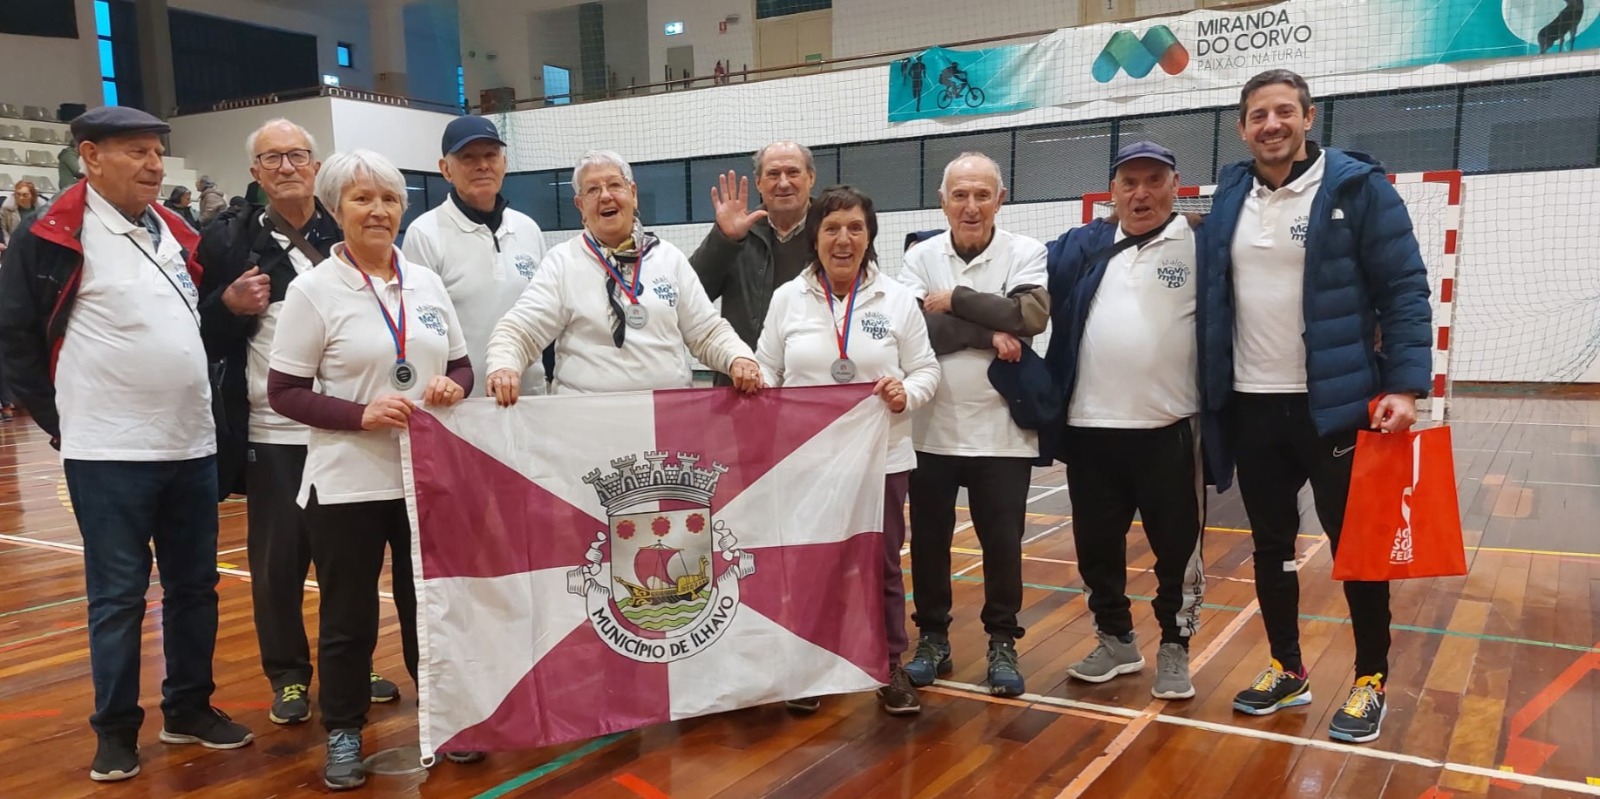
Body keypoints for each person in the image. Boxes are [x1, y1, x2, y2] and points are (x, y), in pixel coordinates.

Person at [0, 105, 253, 783]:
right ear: (89, 155)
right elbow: (17, 341)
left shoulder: (175, 230)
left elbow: (185, 321)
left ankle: (189, 707)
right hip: (108, 453)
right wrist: (66, 420)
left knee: (196, 587)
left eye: (156, 152)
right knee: (117, 596)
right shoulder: (49, 234)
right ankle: (114, 729)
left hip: (191, 445)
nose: (153, 164)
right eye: (136, 151)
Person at [1201, 69, 1431, 743]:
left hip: (1334, 406)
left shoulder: (1358, 189)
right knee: (1271, 545)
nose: (1270, 125)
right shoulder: (1232, 193)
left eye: (1283, 112)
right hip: (1252, 405)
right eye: (1257, 115)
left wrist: (1405, 386)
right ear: (1242, 128)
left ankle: (1369, 678)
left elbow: (1406, 290)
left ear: (1307, 117)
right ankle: (1287, 667)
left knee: (1355, 549)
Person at [267, 149, 472, 789]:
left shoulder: (427, 282)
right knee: (349, 616)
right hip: (347, 480)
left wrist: (452, 389)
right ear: (335, 210)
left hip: (425, 479)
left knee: (429, 608)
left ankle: (443, 721)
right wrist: (360, 414)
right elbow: (284, 391)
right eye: (361, 199)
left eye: (387, 198)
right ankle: (345, 732)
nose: (377, 210)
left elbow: (461, 365)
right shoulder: (312, 290)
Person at [195, 119, 403, 731]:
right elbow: (202, 335)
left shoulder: (346, 224)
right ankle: (287, 675)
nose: (286, 167)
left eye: (297, 156)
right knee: (278, 563)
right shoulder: (225, 240)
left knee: (351, 564)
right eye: (271, 159)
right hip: (273, 430)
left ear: (316, 166)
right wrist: (229, 309)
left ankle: (354, 666)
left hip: (351, 430)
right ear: (255, 172)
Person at [754, 185, 941, 716]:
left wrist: (909, 392)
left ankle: (888, 665)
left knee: (880, 566)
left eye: (855, 228)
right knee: (811, 564)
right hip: (807, 463)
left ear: (869, 236)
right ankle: (809, 668)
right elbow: (768, 367)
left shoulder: (898, 299)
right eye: (832, 228)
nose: (843, 239)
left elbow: (927, 369)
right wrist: (760, 388)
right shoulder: (787, 298)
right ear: (815, 236)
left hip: (881, 460)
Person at [1043, 141, 1218, 702]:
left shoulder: (1201, 243)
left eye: (1153, 181)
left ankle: (1174, 645)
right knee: (1096, 549)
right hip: (1090, 430)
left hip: (1169, 429)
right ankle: (1116, 640)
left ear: (1175, 185)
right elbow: (1011, 258)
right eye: (1129, 183)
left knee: (1176, 549)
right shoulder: (1084, 245)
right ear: (1112, 192)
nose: (1141, 193)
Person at [897, 152, 1049, 697]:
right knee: (930, 542)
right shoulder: (919, 256)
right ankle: (932, 640)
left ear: (1000, 200)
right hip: (930, 429)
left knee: (1002, 545)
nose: (970, 206)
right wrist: (987, 331)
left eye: (982, 194)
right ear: (942, 201)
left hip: (1003, 434)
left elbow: (1029, 317)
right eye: (959, 195)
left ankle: (1002, 643)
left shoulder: (1026, 251)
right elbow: (915, 331)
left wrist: (956, 301)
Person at [485, 150, 763, 400]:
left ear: (633, 193)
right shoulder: (562, 262)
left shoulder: (668, 257)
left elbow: (706, 331)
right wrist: (503, 366)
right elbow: (521, 330)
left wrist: (738, 357)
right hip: (586, 421)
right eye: (593, 190)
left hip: (666, 417)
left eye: (614, 185)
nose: (606, 195)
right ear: (580, 206)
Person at [402, 115, 547, 403]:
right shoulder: (424, 234)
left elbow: (545, 314)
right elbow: (418, 328)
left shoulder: (528, 229)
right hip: (460, 405)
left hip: (528, 398)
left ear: (504, 164)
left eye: (491, 155)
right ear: (445, 169)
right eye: (468, 157)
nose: (482, 165)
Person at [690, 141, 817, 384]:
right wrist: (724, 240)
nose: (783, 183)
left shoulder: (831, 232)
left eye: (793, 172)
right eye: (772, 174)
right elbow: (691, 295)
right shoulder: (737, 232)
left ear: (811, 177)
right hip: (742, 385)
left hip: (807, 386)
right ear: (758, 183)